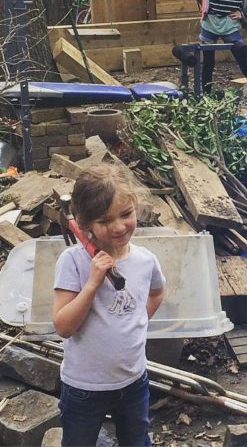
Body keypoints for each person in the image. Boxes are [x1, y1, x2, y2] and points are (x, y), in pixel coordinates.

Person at [53, 164, 166, 446]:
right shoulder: (73, 262)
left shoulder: (145, 260)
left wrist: (133, 324)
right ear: (84, 224)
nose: (118, 227)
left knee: (136, 441)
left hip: (134, 381)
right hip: (84, 388)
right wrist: (92, 283)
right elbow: (64, 326)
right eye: (104, 221)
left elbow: (156, 293)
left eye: (126, 215)